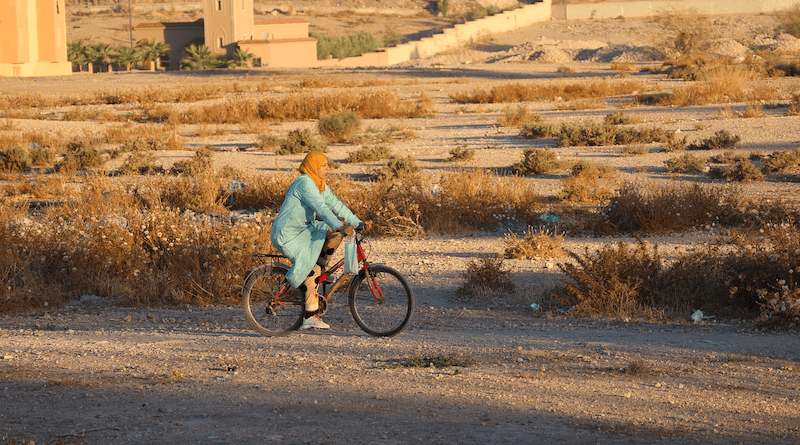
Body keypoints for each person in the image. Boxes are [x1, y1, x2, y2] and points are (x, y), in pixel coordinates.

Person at [270, 152, 365, 330]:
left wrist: (356, 222)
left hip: (304, 229)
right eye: (324, 165)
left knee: (335, 234)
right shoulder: (304, 183)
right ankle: (310, 316)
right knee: (311, 266)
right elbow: (322, 210)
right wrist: (339, 225)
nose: (327, 168)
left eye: (327, 165)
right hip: (287, 234)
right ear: (314, 167)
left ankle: (318, 270)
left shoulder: (319, 184)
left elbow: (336, 205)